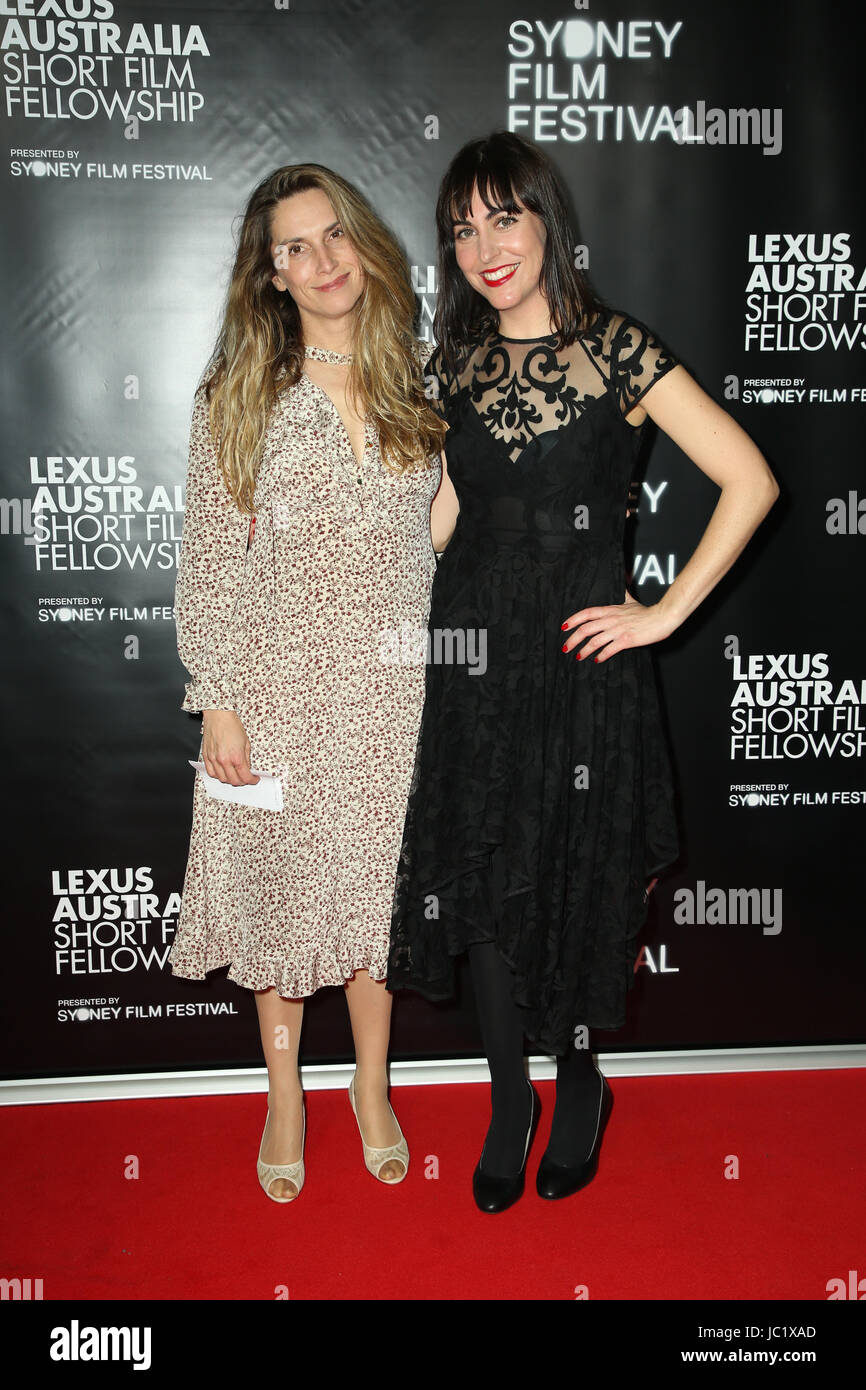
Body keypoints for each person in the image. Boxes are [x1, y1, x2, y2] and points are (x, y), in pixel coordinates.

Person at [387, 131, 779, 1213]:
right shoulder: (452, 363)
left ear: (546, 219)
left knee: (568, 880)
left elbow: (748, 479)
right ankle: (508, 1100)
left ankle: (577, 1086)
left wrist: (660, 615)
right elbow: (450, 519)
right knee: (489, 884)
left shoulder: (618, 353)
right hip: (474, 660)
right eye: (461, 228)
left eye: (501, 217)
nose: (482, 246)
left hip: (578, 664)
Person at [168, 163, 445, 1202]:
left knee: (376, 907)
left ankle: (372, 1086)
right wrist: (220, 701)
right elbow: (206, 559)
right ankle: (284, 1092)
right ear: (270, 273)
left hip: (395, 690)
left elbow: (435, 529)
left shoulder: (416, 373)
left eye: (335, 235)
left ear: (363, 243)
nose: (323, 261)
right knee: (281, 910)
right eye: (295, 247)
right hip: (274, 693)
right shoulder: (236, 392)